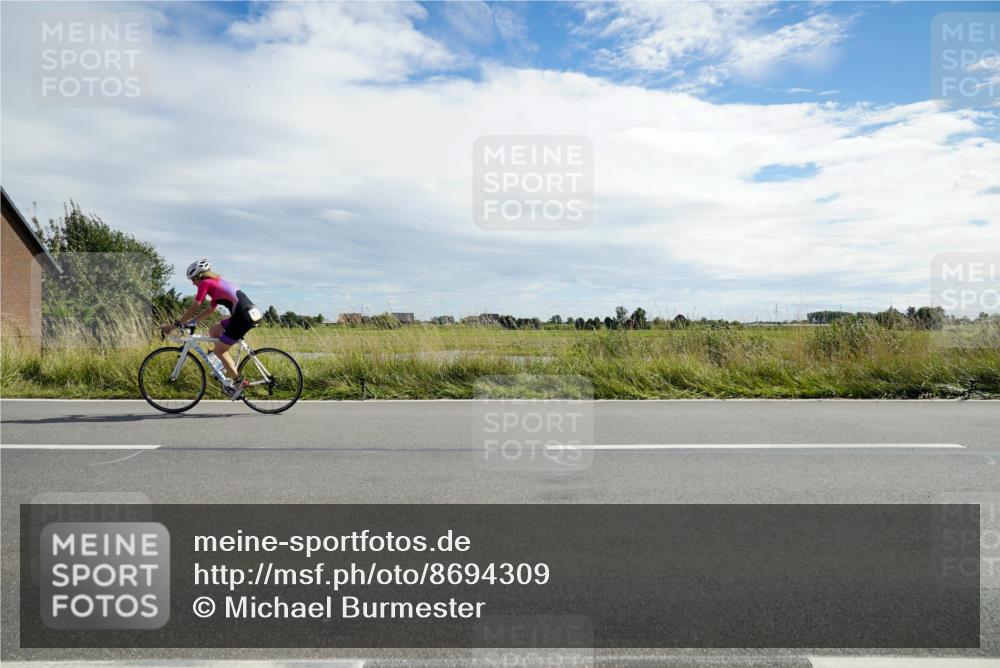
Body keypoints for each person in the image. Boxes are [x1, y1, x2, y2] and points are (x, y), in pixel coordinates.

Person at [161, 259, 262, 397]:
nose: (192, 283)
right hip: (248, 314)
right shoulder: (216, 283)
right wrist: (193, 322)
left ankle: (239, 382)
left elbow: (195, 307)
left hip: (243, 317)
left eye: (192, 279)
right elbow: (210, 310)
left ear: (199, 276)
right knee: (213, 332)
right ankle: (224, 369)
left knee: (220, 350)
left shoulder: (205, 283)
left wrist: (174, 325)